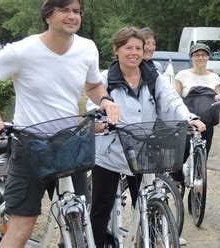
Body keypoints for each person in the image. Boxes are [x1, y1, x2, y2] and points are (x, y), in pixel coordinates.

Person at [0, 0, 120, 247]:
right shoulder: (23, 50)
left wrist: (104, 100)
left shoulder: (87, 48)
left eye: (76, 11)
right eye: (64, 10)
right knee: (22, 225)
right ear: (48, 16)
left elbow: (92, 85)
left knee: (77, 218)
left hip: (70, 144)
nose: (72, 16)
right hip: (30, 145)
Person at [87, 27, 204, 247]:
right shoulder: (104, 79)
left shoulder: (153, 76)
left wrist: (188, 118)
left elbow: (171, 101)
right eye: (128, 48)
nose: (134, 53)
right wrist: (99, 123)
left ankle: (153, 238)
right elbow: (92, 105)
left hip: (141, 151)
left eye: (138, 48)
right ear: (116, 50)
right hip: (110, 153)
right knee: (101, 208)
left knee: (148, 202)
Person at [174, 43, 220, 157]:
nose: (200, 58)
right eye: (197, 55)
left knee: (203, 155)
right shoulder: (182, 75)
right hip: (187, 121)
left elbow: (218, 99)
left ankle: (199, 174)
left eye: (204, 55)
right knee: (182, 154)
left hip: (207, 122)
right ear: (192, 57)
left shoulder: (214, 77)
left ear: (208, 57)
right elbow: (175, 97)